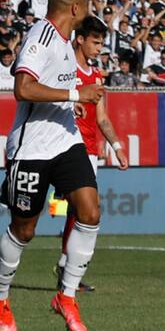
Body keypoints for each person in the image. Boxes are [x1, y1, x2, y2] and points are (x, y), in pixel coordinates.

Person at [0, 0, 104, 331]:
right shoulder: (42, 38)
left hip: (65, 141)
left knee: (90, 211)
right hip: (31, 149)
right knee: (25, 230)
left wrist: (75, 99)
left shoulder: (68, 43)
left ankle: (66, 296)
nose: (89, 10)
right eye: (87, 5)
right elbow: (22, 89)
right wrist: (74, 93)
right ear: (74, 9)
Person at [54, 15, 129, 291]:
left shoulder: (96, 76)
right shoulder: (63, 68)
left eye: (101, 43)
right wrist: (68, 102)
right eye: (95, 42)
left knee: (83, 210)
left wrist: (117, 146)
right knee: (80, 209)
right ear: (80, 39)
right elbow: (45, 94)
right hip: (60, 144)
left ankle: (66, 267)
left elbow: (102, 118)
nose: (99, 48)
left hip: (87, 150)